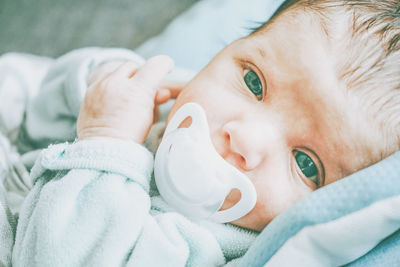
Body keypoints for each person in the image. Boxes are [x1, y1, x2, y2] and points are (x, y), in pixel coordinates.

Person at [10, 0, 400, 266]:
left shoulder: (203, 246)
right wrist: (101, 78)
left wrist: (106, 140)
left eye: (305, 163)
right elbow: (37, 118)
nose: (245, 138)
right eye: (253, 82)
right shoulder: (167, 96)